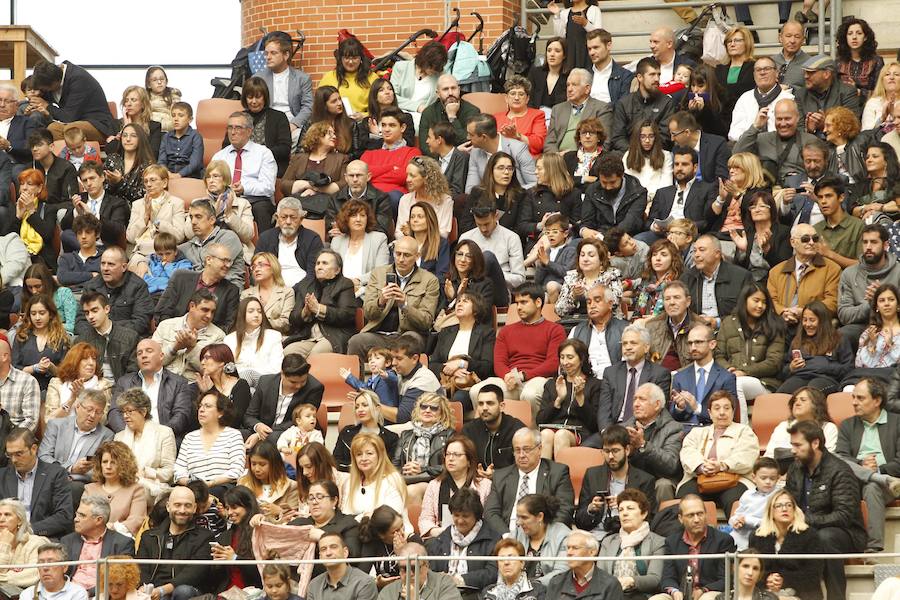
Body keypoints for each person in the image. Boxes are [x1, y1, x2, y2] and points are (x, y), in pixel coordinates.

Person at [784, 420, 865, 600]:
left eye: (798, 445)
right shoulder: (795, 468)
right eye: (792, 445)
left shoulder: (840, 470)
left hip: (845, 534)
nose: (793, 450)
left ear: (815, 443)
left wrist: (805, 520)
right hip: (803, 528)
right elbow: (788, 501)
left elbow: (844, 516)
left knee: (824, 538)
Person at [469, 284, 565, 417]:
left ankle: (535, 433)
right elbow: (499, 362)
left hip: (539, 378)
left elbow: (553, 364)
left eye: (524, 302)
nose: (518, 307)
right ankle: (486, 434)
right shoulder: (506, 331)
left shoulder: (555, 330)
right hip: (510, 379)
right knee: (476, 391)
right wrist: (507, 376)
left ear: (538, 302)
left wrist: (523, 375)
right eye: (517, 303)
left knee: (530, 394)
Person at [347, 236, 440, 367]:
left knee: (411, 342)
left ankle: (404, 385)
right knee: (356, 341)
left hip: (408, 334)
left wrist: (405, 305)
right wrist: (381, 301)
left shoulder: (429, 280)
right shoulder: (378, 274)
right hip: (378, 335)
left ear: (417, 256)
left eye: (406, 255)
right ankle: (360, 383)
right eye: (398, 254)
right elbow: (368, 313)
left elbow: (426, 321)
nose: (401, 259)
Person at [834, 378, 900, 553]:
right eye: (853, 397)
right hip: (853, 478)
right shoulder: (848, 425)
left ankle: (874, 548)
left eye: (860, 398)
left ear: (877, 400)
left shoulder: (897, 423)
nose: (854, 402)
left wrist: (879, 469)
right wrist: (862, 465)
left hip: (890, 482)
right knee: (834, 459)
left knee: (872, 487)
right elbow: (841, 457)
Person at [676, 391, 759, 517]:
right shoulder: (697, 432)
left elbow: (746, 456)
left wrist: (721, 466)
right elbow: (688, 453)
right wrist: (702, 467)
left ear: (733, 411)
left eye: (727, 408)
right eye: (717, 408)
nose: (722, 412)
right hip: (699, 478)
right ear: (709, 413)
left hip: (735, 479)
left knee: (736, 501)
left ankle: (736, 535)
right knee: (687, 499)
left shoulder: (744, 431)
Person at [483, 427, 575, 535]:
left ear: (539, 449)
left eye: (526, 450)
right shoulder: (501, 476)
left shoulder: (557, 473)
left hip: (544, 535)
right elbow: (491, 512)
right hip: (508, 536)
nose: (521, 455)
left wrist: (544, 536)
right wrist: (506, 536)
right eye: (517, 450)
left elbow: (564, 510)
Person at [714, 283, 786, 419]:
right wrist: (729, 368)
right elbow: (718, 355)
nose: (760, 306)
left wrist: (744, 372)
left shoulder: (774, 325)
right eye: (756, 301)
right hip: (732, 376)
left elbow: (774, 362)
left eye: (764, 302)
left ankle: (743, 429)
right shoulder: (728, 323)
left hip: (764, 382)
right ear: (744, 300)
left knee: (737, 384)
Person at [136, 485, 216, 600]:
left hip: (189, 592)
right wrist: (146, 589)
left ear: (194, 508)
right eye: (177, 505)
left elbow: (194, 573)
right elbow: (141, 568)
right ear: (168, 506)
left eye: (187, 506)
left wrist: (162, 590)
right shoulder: (149, 536)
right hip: (154, 591)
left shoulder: (205, 537)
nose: (182, 510)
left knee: (182, 591)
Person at [107, 339, 194, 443]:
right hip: (130, 440)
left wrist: (160, 435)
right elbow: (114, 412)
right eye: (140, 353)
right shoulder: (125, 382)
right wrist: (129, 435)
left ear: (161, 356)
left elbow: (182, 414)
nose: (144, 355)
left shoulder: (178, 382)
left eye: (149, 351)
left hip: (164, 440)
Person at [576, 426, 657, 535]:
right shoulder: (592, 475)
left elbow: (648, 520)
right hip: (594, 534)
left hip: (627, 535)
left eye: (615, 451)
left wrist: (623, 506)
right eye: (606, 451)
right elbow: (579, 520)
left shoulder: (645, 480)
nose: (610, 456)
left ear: (627, 450)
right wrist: (590, 509)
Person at [593, 325, 671, 437]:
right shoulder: (611, 373)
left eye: (633, 343)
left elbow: (658, 412)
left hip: (643, 432)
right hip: (613, 431)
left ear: (646, 347)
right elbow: (604, 411)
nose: (628, 347)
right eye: (624, 343)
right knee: (583, 450)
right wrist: (607, 433)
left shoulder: (659, 374)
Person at [656, 495, 737, 600]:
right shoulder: (671, 542)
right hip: (680, 592)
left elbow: (726, 580)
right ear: (680, 518)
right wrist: (675, 592)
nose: (696, 519)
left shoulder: (723, 540)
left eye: (700, 514)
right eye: (690, 515)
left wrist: (703, 590)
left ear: (705, 514)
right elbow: (668, 577)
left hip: (710, 592)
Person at [748, 490, 824, 600]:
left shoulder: (809, 535)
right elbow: (752, 570)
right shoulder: (757, 536)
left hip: (801, 593)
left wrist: (784, 579)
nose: (784, 509)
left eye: (789, 505)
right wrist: (767, 579)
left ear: (794, 509)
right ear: (771, 511)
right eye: (779, 505)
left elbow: (814, 574)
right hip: (764, 593)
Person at [0, 428, 73, 538]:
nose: (13, 460)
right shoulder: (2, 476)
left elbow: (64, 516)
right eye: (10, 455)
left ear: (33, 449)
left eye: (18, 454)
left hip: (40, 538)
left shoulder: (55, 474)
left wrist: (28, 530)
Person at [211, 111, 278, 231]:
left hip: (255, 200)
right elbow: (211, 181)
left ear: (249, 131)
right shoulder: (219, 156)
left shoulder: (264, 153)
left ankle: (264, 248)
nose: (233, 132)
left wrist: (244, 188)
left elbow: (268, 187)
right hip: (225, 198)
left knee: (262, 208)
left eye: (238, 128)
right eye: (230, 127)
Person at [285, 248, 357, 357]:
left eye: (325, 263)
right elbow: (293, 318)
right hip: (308, 336)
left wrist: (319, 309)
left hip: (334, 336)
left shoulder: (345, 284)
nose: (319, 266)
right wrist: (305, 312)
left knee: (316, 355)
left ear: (337, 270)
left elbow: (346, 315)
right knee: (288, 353)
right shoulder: (306, 285)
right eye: (318, 263)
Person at [535, 339, 599, 459]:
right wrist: (558, 400)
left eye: (570, 357)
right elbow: (540, 420)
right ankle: (543, 476)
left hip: (579, 433)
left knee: (561, 435)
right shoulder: (552, 384)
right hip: (553, 429)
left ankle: (560, 477)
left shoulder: (594, 384)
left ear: (581, 359)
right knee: (545, 434)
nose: (565, 362)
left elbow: (594, 424)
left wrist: (580, 398)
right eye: (562, 357)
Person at [597, 489, 665, 599]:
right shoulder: (608, 542)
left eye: (630, 508)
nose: (624, 513)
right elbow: (600, 576)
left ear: (644, 514)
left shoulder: (658, 542)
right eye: (621, 510)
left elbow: (655, 579)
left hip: (640, 595)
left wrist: (631, 581)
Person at [153, 246, 241, 332]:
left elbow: (228, 326)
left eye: (229, 261)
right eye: (224, 260)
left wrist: (200, 337)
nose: (228, 265)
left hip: (207, 341)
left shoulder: (231, 291)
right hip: (173, 333)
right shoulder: (181, 278)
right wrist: (175, 332)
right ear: (209, 260)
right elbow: (162, 311)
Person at [242, 352, 324, 443]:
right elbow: (249, 416)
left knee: (273, 438)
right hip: (263, 429)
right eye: (293, 382)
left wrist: (260, 435)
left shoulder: (314, 387)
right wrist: (258, 426)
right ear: (282, 374)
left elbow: (300, 420)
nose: (298, 386)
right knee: (235, 435)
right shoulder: (265, 382)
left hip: (294, 432)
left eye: (303, 381)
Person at [173, 391, 245, 495]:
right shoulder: (189, 437)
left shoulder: (233, 435)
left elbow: (236, 470)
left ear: (221, 413)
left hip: (222, 488)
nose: (201, 410)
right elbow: (179, 469)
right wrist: (190, 483)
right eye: (200, 406)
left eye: (208, 406)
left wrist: (211, 483)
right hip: (193, 488)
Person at [733, 99, 815, 188]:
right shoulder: (762, 139)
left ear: (797, 118)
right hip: (766, 193)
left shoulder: (810, 140)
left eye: (787, 119)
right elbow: (737, 155)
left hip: (799, 192)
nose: (783, 124)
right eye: (779, 119)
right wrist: (755, 127)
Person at [75, 246, 155, 337]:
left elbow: (141, 322)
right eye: (103, 263)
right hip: (95, 339)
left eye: (111, 264)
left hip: (127, 340)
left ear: (124, 267)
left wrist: (109, 330)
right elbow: (80, 321)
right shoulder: (91, 286)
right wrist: (96, 335)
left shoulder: (138, 286)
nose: (105, 268)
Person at [112, 388, 176, 501]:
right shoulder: (119, 437)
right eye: (123, 412)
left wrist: (147, 472)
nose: (125, 416)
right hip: (123, 484)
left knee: (135, 491)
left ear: (143, 411)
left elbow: (169, 472)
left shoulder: (164, 433)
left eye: (129, 411)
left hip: (152, 487)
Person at [29, 59, 115, 143]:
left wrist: (47, 106)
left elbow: (68, 117)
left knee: (69, 130)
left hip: (99, 125)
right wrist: (34, 101)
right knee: (52, 129)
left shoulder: (79, 79)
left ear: (56, 82)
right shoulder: (53, 78)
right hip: (75, 122)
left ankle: (70, 156)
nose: (47, 91)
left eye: (47, 89)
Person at [151, 289, 226, 383]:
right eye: (205, 310)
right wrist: (174, 348)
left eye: (212, 312)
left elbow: (214, 372)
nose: (209, 316)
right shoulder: (165, 326)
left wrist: (192, 348)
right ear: (192, 306)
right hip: (161, 381)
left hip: (192, 385)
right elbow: (152, 363)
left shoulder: (218, 336)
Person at [778, 301, 853, 394]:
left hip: (826, 378)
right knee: (782, 394)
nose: (808, 324)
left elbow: (848, 368)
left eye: (812, 320)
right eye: (805, 320)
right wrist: (791, 367)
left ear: (822, 321)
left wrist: (825, 366)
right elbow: (783, 370)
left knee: (810, 393)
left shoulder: (838, 339)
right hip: (800, 376)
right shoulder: (797, 340)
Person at [62, 496, 135, 592]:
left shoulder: (122, 543)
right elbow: (60, 575)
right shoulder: (68, 541)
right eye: (77, 514)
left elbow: (120, 579)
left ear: (98, 520)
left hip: (103, 594)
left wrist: (88, 593)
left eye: (82, 515)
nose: (76, 519)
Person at [670, 324, 738, 425]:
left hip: (715, 432)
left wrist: (697, 408)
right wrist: (680, 408)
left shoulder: (727, 378)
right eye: (690, 343)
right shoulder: (679, 377)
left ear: (712, 344)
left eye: (698, 342)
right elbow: (673, 416)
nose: (693, 347)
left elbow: (729, 414)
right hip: (684, 434)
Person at [680, 235, 753, 328]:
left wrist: (718, 322)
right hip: (694, 330)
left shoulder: (741, 276)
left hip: (731, 329)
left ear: (717, 254)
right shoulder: (687, 278)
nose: (696, 255)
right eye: (694, 251)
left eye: (702, 250)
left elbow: (748, 311)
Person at [82, 440, 147, 537]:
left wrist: (111, 527)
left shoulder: (136, 490)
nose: (108, 466)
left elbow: (136, 520)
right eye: (104, 462)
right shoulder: (90, 489)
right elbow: (82, 517)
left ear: (124, 465)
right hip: (90, 538)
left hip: (120, 540)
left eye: (113, 462)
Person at [61, 161, 130, 252]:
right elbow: (64, 225)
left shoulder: (116, 202)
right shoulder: (79, 198)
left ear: (102, 177)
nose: (89, 183)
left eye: (92, 178)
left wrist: (93, 215)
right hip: (80, 244)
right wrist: (76, 211)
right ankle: (88, 252)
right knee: (66, 235)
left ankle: (92, 252)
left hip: (103, 247)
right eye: (85, 180)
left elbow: (118, 230)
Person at [178, 198, 246, 287]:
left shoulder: (228, 237)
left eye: (198, 217)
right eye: (191, 217)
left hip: (225, 289)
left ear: (212, 220)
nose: (193, 222)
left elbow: (214, 271)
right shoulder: (186, 247)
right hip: (196, 291)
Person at [611, 58, 674, 153]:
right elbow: (618, 137)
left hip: (657, 156)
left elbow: (665, 137)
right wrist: (635, 153)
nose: (657, 79)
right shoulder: (624, 104)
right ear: (640, 77)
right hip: (629, 156)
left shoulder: (666, 103)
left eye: (658, 74)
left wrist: (646, 153)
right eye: (652, 75)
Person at [461, 385, 526, 477]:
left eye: (490, 403)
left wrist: (497, 475)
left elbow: (526, 466)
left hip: (508, 483)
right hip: (476, 482)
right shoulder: (468, 430)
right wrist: (474, 473)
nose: (484, 408)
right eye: (480, 404)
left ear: (502, 406)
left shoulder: (517, 430)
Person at [75, 291, 139, 384]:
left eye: (94, 311)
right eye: (87, 313)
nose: (90, 316)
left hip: (121, 391)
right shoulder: (81, 341)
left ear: (107, 309)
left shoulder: (130, 337)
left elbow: (132, 374)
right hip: (91, 391)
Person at [464, 114, 538, 195]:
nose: (467, 138)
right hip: (488, 202)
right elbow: (470, 189)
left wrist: (509, 194)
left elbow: (534, 184)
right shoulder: (475, 151)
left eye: (471, 135)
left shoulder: (518, 149)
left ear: (484, 137)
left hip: (517, 201)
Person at [343, 432, 409, 523]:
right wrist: (364, 517)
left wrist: (359, 519)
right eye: (359, 454)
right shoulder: (350, 482)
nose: (364, 458)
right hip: (356, 532)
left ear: (380, 456)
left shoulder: (392, 479)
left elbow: (389, 518)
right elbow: (345, 515)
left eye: (369, 453)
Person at [360, 107, 423, 200]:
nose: (386, 129)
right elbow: (360, 175)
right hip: (368, 196)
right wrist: (391, 168)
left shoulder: (412, 152)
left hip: (395, 198)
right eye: (384, 125)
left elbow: (403, 177)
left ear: (402, 128)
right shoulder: (369, 153)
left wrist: (373, 173)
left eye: (392, 125)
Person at [543, 69, 612, 155]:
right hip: (558, 161)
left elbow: (604, 142)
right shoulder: (558, 109)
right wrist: (557, 157)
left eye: (574, 85)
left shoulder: (601, 108)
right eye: (568, 85)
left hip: (586, 160)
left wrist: (575, 156)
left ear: (587, 89)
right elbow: (549, 142)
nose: (569, 89)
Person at [579, 153, 648, 237]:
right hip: (598, 235)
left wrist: (605, 237)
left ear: (622, 175)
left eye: (612, 182)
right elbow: (587, 221)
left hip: (628, 236)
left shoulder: (638, 193)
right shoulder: (592, 191)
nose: (608, 187)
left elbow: (630, 223)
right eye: (604, 182)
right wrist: (584, 230)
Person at [729, 56, 796, 142]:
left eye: (767, 69)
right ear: (754, 75)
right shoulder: (745, 99)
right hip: (748, 147)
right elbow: (734, 133)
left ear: (777, 73)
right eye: (758, 70)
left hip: (779, 147)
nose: (762, 72)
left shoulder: (788, 99)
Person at [544, 529, 624, 600]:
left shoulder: (610, 584)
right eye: (568, 548)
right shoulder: (556, 583)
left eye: (575, 548)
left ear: (592, 552)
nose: (569, 553)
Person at [13, 293, 70, 391]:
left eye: (42, 313)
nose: (37, 318)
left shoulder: (62, 339)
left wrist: (51, 367)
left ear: (51, 314)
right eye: (33, 314)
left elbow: (67, 374)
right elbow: (13, 369)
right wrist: (34, 368)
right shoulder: (21, 337)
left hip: (53, 390)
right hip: (24, 388)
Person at [281, 122, 347, 206]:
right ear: (316, 135)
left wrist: (316, 189)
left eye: (334, 133)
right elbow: (284, 184)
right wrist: (305, 184)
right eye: (329, 133)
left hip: (328, 205)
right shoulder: (298, 158)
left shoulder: (341, 158)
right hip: (300, 202)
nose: (334, 136)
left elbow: (345, 183)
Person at [459, 151, 525, 237]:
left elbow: (520, 227)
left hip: (507, 242)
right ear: (491, 170)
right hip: (479, 241)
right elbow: (465, 225)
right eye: (501, 168)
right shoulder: (477, 193)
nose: (506, 172)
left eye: (510, 168)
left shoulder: (520, 195)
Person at [508, 494, 569, 586]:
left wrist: (531, 585)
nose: (519, 522)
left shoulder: (563, 535)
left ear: (540, 516)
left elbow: (561, 573)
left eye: (524, 517)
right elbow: (504, 564)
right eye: (518, 517)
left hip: (550, 592)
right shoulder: (516, 533)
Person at [794, 55, 862, 137]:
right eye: (805, 72)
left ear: (826, 74)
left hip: (838, 145)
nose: (806, 76)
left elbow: (852, 127)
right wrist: (809, 130)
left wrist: (825, 125)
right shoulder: (800, 95)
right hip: (810, 145)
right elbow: (797, 130)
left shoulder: (847, 92)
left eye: (811, 72)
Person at [44, 342, 113, 422]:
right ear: (74, 362)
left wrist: (83, 396)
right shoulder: (57, 383)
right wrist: (71, 400)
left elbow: (103, 420)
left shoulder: (103, 385)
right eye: (85, 359)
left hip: (91, 433)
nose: (91, 363)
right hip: (61, 432)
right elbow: (49, 419)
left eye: (93, 359)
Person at [202, 159, 255, 261]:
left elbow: (248, 235)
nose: (211, 180)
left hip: (236, 253)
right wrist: (213, 215)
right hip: (207, 252)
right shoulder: (199, 203)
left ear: (225, 179)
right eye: (208, 177)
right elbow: (189, 234)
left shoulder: (242, 204)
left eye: (215, 176)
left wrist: (229, 215)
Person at [389, 40, 449, 128]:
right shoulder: (401, 68)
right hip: (400, 114)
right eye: (432, 66)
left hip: (425, 118)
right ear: (425, 60)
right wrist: (418, 107)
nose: (434, 70)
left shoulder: (440, 74)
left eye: (437, 68)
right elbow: (392, 97)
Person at [225, 297, 284, 384]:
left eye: (259, 311)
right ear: (241, 314)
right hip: (240, 384)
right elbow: (229, 369)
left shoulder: (273, 336)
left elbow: (277, 368)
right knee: (249, 388)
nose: (256, 315)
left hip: (266, 382)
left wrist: (250, 372)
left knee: (248, 375)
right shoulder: (229, 339)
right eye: (251, 311)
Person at [237, 441, 299, 522]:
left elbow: (293, 522)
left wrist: (279, 513)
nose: (257, 469)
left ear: (275, 464)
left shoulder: (292, 486)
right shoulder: (242, 484)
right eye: (253, 464)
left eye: (262, 464)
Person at [419, 74, 481, 156]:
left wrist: (452, 118)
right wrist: (452, 154)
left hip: (464, 159)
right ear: (438, 93)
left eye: (453, 88)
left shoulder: (472, 111)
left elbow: (469, 143)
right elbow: (425, 147)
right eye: (445, 89)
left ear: (459, 90)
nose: (450, 93)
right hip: (437, 162)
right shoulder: (428, 113)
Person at [379, 541, 463, 600]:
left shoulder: (444, 584)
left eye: (414, 568)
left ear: (426, 566)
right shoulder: (388, 592)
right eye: (404, 569)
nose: (410, 574)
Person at [727, 457, 780, 550]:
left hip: (764, 539)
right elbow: (737, 515)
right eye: (763, 478)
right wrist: (735, 521)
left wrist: (747, 520)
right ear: (754, 478)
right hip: (741, 538)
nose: (768, 482)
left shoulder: (779, 496)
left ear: (778, 478)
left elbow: (774, 523)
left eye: (772, 478)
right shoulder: (747, 494)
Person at [812, 176, 864, 269]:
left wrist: (829, 254)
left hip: (848, 281)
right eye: (820, 197)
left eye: (828, 196)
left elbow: (863, 265)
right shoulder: (815, 229)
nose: (823, 201)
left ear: (841, 197)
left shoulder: (858, 226)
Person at [667, 111, 731, 186]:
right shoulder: (676, 149)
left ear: (687, 132)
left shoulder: (717, 145)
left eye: (674, 134)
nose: (672, 139)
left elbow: (721, 179)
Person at [14, 167, 60, 271]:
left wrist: (31, 212)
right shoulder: (15, 207)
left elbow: (47, 235)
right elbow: (9, 239)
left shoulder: (48, 208)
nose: (24, 188)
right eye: (22, 184)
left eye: (29, 184)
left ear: (39, 188)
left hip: (40, 259)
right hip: (18, 256)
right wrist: (18, 217)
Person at [196, 343, 252, 427]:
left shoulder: (240, 385)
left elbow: (236, 419)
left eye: (207, 358)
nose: (202, 362)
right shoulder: (201, 385)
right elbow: (196, 420)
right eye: (202, 359)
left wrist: (211, 391)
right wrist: (205, 393)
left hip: (232, 434)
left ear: (222, 362)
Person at [396, 158, 453, 240]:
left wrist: (413, 232)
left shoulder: (445, 201)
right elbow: (399, 232)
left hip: (433, 248)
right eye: (407, 175)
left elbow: (443, 234)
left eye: (413, 176)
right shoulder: (405, 199)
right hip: (408, 247)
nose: (407, 179)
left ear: (426, 178)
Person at [0, 498, 49, 588]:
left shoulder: (36, 543)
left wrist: (3, 579)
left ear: (20, 520)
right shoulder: (2, 543)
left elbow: (34, 574)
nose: (1, 519)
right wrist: (4, 546)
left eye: (7, 515)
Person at [630, 240, 684, 320]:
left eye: (664, 255)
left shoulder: (679, 281)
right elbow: (637, 307)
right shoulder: (647, 280)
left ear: (673, 259)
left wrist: (656, 318)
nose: (658, 259)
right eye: (654, 255)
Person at [242, 252, 295, 333]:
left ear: (273, 267)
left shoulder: (287, 292)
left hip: (278, 338)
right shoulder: (245, 294)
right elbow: (242, 320)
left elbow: (285, 323)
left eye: (261, 265)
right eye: (254, 267)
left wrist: (257, 322)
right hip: (251, 336)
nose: (256, 269)